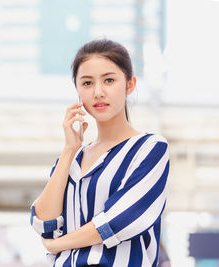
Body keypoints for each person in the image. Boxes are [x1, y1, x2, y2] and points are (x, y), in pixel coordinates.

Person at [30, 39, 170, 266]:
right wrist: (68, 151)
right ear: (77, 89)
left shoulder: (149, 148)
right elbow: (44, 223)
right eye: (87, 83)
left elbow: (120, 220)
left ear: (129, 84)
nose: (98, 92)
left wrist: (58, 245)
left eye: (109, 80)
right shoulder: (72, 158)